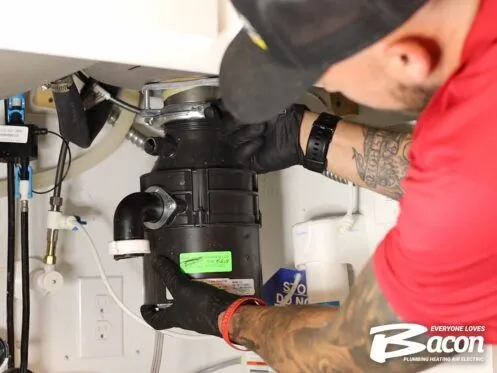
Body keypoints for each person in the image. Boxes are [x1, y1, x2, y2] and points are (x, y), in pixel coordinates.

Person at [140, 0, 497, 371]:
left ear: (405, 58)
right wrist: (307, 137)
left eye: (321, 75)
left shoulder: (463, 178)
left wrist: (224, 316)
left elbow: (356, 355)